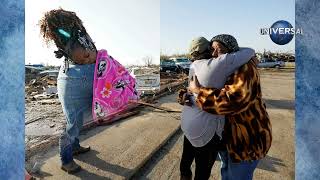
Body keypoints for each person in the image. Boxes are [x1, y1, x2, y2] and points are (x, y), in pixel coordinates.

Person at [179, 34, 272, 180]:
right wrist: (185, 94)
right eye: (212, 50)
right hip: (227, 138)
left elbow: (232, 103)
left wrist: (198, 92)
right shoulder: (222, 66)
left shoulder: (245, 68)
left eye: (219, 50)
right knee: (226, 174)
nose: (214, 54)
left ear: (231, 50)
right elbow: (204, 84)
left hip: (245, 139)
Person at [39, 8, 98, 173]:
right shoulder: (64, 33)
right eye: (70, 19)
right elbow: (61, 34)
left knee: (79, 120)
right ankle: (66, 161)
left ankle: (75, 146)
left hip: (85, 77)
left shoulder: (81, 34)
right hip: (72, 80)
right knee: (72, 123)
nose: (75, 21)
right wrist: (55, 23)